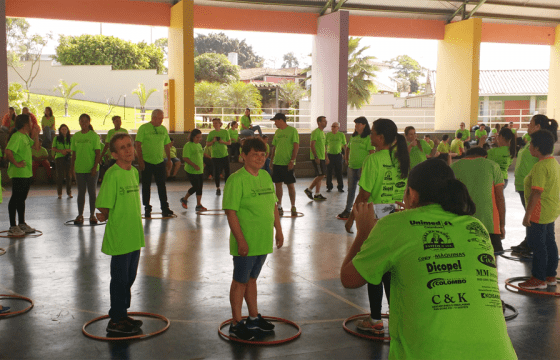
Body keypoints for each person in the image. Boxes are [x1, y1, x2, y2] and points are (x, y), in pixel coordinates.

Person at [341, 159, 517, 360]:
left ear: (412, 195)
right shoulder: (475, 226)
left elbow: (349, 279)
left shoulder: (395, 224)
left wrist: (363, 233)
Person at [345, 118, 410, 334]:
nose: (369, 136)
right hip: (397, 215)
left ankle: (375, 321)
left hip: (375, 217)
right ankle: (398, 316)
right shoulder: (402, 158)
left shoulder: (373, 160)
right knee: (392, 270)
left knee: (374, 268)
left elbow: (364, 194)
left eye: (372, 133)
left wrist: (353, 217)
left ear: (380, 138)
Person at [223, 137, 284, 341]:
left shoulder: (266, 176)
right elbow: (231, 212)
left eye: (262, 154)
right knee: (240, 281)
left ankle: (253, 317)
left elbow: (273, 205)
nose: (259, 158)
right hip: (246, 241)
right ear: (244, 156)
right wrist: (241, 240)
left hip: (263, 239)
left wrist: (279, 230)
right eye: (254, 154)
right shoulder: (236, 179)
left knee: (252, 279)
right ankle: (235, 323)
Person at [95, 133, 145, 335]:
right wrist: (103, 215)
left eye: (129, 145)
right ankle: (115, 320)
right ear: (114, 154)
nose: (128, 150)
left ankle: (122, 314)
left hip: (134, 235)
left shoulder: (133, 171)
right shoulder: (112, 174)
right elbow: (105, 205)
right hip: (120, 236)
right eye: (122, 148)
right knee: (119, 279)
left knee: (130, 278)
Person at [518, 129, 560, 290]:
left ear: (537, 147)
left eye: (530, 144)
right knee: (549, 242)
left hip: (539, 211)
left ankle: (538, 278)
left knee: (538, 244)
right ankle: (550, 275)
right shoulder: (554, 163)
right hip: (551, 210)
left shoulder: (540, 167)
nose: (528, 147)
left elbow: (536, 192)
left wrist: (527, 215)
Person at [512, 115, 558, 253]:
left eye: (530, 123)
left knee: (533, 217)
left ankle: (533, 245)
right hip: (524, 186)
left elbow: (541, 169)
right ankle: (530, 241)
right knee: (532, 219)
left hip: (535, 187)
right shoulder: (531, 141)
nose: (528, 126)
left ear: (538, 126)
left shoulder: (540, 147)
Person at [451, 147, 506, 253]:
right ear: (485, 156)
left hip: (461, 223)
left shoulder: (454, 166)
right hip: (489, 224)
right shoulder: (492, 165)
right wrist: (502, 225)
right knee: (490, 260)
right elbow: (499, 197)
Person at [5, 114, 41, 236]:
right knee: (16, 198)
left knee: (21, 199)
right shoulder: (17, 137)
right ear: (26, 125)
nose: (32, 123)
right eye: (31, 122)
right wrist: (16, 163)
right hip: (18, 173)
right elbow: (8, 151)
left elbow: (36, 147)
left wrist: (35, 135)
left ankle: (21, 223)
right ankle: (12, 226)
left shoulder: (25, 136)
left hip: (26, 173)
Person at [135, 109, 174, 218]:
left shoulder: (163, 129)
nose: (162, 120)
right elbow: (138, 144)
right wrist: (141, 160)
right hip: (147, 162)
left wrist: (169, 159)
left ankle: (164, 207)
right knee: (146, 185)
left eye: (162, 118)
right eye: (160, 118)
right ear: (153, 118)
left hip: (160, 161)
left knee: (162, 185)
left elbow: (167, 144)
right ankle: (147, 207)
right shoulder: (144, 128)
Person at [337, 117, 375, 220]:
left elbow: (372, 153)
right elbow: (348, 148)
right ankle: (348, 210)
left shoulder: (368, 138)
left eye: (358, 124)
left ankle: (363, 211)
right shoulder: (354, 137)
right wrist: (346, 159)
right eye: (355, 124)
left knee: (364, 191)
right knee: (351, 190)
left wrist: (367, 167)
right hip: (352, 167)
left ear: (364, 125)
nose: (356, 126)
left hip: (362, 168)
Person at [71, 114, 102, 224]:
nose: (84, 123)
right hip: (80, 169)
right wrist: (72, 168)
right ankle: (80, 215)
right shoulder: (76, 136)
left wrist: (94, 167)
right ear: (79, 122)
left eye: (86, 121)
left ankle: (92, 215)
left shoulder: (94, 136)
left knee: (92, 192)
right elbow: (73, 154)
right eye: (81, 121)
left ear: (89, 122)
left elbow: (98, 153)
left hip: (91, 169)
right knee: (81, 193)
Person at [270, 113, 300, 217]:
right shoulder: (277, 132)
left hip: (287, 163)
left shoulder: (292, 131)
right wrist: (271, 161)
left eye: (275, 121)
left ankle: (293, 206)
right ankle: (279, 206)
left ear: (281, 120)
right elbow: (274, 147)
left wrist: (292, 160)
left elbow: (296, 145)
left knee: (290, 185)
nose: (274, 123)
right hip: (277, 163)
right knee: (278, 185)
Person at [181, 129, 207, 212]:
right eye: (197, 137)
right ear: (193, 137)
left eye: (200, 137)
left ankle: (198, 205)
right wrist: (194, 165)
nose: (199, 139)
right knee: (196, 186)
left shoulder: (199, 145)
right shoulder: (188, 145)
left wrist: (202, 163)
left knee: (200, 188)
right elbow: (185, 158)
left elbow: (200, 155)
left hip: (200, 170)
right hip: (191, 170)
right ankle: (184, 199)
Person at [304, 116, 328, 201]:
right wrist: (316, 157)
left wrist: (326, 157)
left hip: (322, 157)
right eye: (324, 121)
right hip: (317, 157)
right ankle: (309, 190)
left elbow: (324, 146)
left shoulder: (323, 133)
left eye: (326, 121)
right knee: (321, 175)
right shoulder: (315, 132)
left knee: (320, 175)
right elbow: (312, 145)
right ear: (319, 123)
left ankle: (317, 194)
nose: (326, 122)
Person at [207, 118, 231, 196]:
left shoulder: (225, 132)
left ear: (220, 124)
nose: (215, 124)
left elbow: (229, 143)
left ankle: (227, 187)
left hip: (224, 154)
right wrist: (213, 141)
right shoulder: (211, 133)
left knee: (227, 171)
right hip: (215, 156)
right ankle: (218, 188)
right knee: (216, 172)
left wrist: (222, 142)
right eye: (213, 123)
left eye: (216, 123)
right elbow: (207, 144)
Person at [52, 124, 73, 199]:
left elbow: (73, 148)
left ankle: (69, 192)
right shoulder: (56, 138)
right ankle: (59, 193)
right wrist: (61, 151)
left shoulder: (70, 138)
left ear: (67, 130)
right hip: (59, 158)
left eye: (65, 129)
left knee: (69, 176)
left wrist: (66, 151)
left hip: (68, 157)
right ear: (60, 130)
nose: (64, 131)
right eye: (62, 129)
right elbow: (53, 148)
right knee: (59, 176)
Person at [326, 122, 346, 193]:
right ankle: (329, 186)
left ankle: (340, 187)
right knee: (329, 172)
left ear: (338, 128)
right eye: (332, 126)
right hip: (330, 155)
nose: (333, 128)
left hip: (338, 155)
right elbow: (325, 145)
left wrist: (345, 155)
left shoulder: (341, 135)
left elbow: (345, 145)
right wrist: (326, 156)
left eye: (335, 126)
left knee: (339, 172)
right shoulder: (328, 134)